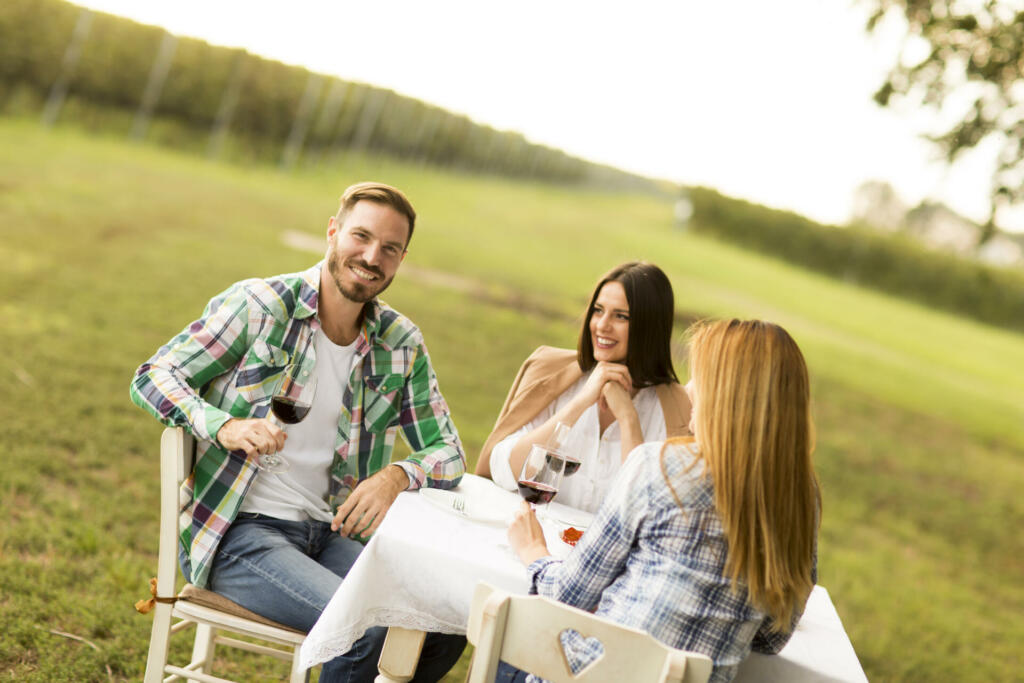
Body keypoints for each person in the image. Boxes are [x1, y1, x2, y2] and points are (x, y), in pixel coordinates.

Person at [130, 182, 467, 681]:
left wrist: (397, 475)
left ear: (400, 259)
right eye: (361, 237)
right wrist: (222, 426)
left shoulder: (401, 343)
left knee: (442, 627)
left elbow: (450, 452)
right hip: (241, 533)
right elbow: (155, 376)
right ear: (332, 232)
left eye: (390, 249)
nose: (372, 257)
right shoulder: (261, 306)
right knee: (363, 630)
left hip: (333, 533)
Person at [503, 319, 821, 683]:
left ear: (727, 396)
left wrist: (532, 550)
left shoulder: (660, 467)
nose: (687, 389)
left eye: (700, 377)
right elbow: (772, 637)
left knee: (509, 650)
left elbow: (566, 596)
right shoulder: (800, 496)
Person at [476, 261, 691, 512]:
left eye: (621, 316)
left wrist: (628, 418)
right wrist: (580, 402)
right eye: (598, 311)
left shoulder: (676, 410)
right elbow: (502, 469)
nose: (602, 325)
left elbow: (647, 512)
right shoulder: (553, 373)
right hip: (530, 539)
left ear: (649, 327)